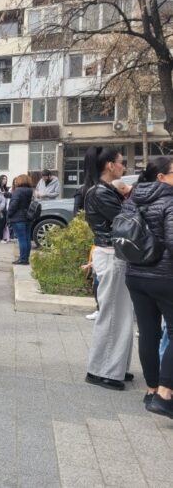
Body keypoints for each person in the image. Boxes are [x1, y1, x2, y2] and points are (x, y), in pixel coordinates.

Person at [121, 157, 173, 416]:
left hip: (135, 274)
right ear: (161, 177)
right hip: (165, 277)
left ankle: (151, 390)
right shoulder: (170, 200)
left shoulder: (132, 199)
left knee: (149, 333)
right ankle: (165, 393)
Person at [82, 146, 134, 391]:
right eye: (121, 162)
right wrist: (130, 196)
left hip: (115, 254)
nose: (124, 167)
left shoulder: (105, 190)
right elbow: (127, 220)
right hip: (112, 254)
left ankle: (116, 366)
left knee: (120, 313)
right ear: (110, 165)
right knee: (113, 314)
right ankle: (101, 370)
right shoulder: (100, 192)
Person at [8, 174, 34, 265]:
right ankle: (26, 258)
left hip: (18, 218)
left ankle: (22, 259)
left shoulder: (18, 191)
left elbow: (14, 204)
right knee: (27, 238)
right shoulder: (31, 190)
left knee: (21, 239)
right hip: (28, 217)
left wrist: (9, 214)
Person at [0, 175, 11, 243]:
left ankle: (1, 237)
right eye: (3, 179)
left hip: (5, 207)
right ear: (0, 179)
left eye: (6, 179)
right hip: (0, 208)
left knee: (3, 223)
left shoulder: (4, 188)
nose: (5, 180)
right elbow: (1, 196)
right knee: (0, 223)